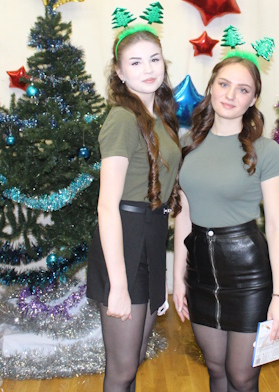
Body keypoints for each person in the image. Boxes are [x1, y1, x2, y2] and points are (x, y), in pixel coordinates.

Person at [172, 54, 279, 391]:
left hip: (248, 275)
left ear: (253, 99)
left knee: (241, 375)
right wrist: (178, 278)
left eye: (243, 89)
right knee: (215, 369)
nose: (230, 95)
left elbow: (277, 227)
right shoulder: (187, 145)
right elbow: (183, 216)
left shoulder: (267, 152)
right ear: (211, 86)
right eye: (224, 84)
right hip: (200, 273)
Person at [86, 21, 182, 391]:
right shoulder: (122, 119)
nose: (148, 69)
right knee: (122, 368)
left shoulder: (158, 117)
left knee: (134, 360)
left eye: (154, 59)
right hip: (125, 241)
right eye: (136, 62)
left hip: (150, 236)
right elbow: (107, 206)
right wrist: (118, 285)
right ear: (120, 72)